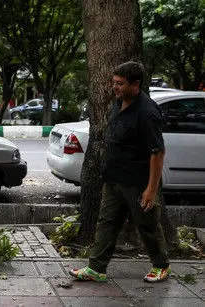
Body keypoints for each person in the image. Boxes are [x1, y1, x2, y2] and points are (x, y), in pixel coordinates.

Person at [69, 61, 170, 283]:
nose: (114, 87)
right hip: (114, 177)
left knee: (147, 225)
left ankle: (161, 265)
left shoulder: (147, 112)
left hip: (137, 181)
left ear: (135, 84)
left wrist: (151, 190)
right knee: (106, 222)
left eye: (120, 84)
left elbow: (158, 152)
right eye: (114, 83)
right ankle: (96, 268)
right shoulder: (119, 103)